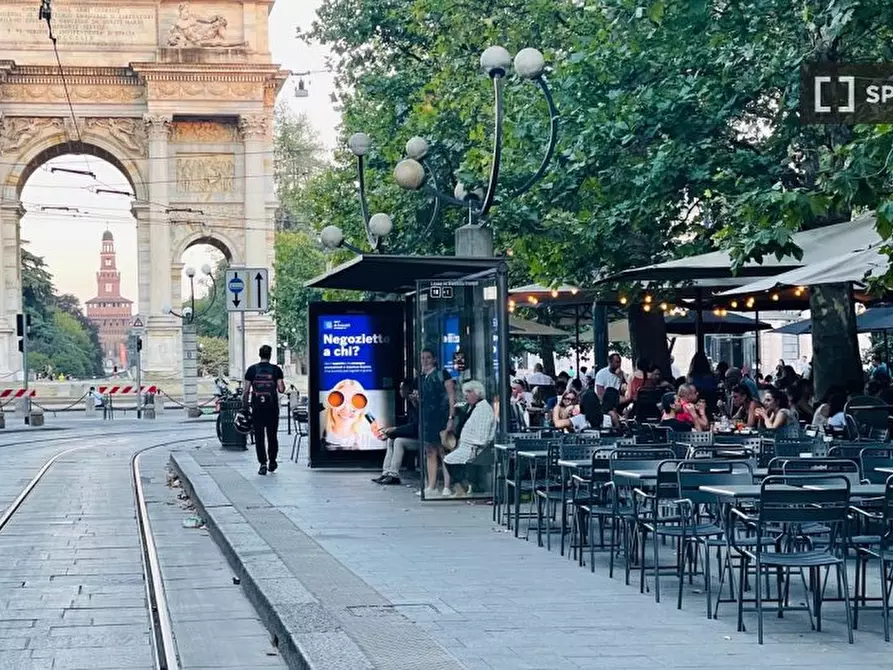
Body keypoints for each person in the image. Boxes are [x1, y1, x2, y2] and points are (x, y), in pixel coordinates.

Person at [443, 380, 496, 498]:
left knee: (449, 460)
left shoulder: (483, 409)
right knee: (449, 458)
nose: (465, 395)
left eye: (468, 392)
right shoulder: (474, 407)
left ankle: (462, 489)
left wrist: (470, 444)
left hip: (475, 448)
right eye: (464, 392)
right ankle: (463, 488)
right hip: (468, 446)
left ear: (477, 393)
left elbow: (482, 436)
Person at [419, 348, 456, 498]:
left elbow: (451, 396)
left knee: (443, 450)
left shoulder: (442, 374)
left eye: (428, 357)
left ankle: (447, 485)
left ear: (434, 359)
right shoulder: (423, 377)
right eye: (423, 358)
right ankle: (431, 485)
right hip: (428, 418)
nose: (425, 361)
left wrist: (450, 418)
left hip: (441, 416)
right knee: (430, 451)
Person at [243, 345, 285, 475]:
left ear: (259, 354)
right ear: (270, 355)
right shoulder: (276, 370)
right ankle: (272, 461)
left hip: (257, 408)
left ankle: (262, 463)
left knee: (259, 437)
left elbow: (246, 391)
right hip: (272, 408)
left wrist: (245, 407)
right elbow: (281, 389)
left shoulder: (252, 370)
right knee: (272, 436)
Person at [374, 380, 419, 485]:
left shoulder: (416, 404)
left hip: (421, 439)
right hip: (415, 436)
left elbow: (415, 427)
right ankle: (386, 473)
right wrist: (392, 430)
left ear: (409, 390)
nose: (400, 391)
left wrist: (395, 430)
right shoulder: (410, 403)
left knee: (398, 441)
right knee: (391, 439)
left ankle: (394, 475)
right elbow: (409, 421)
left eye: (402, 388)